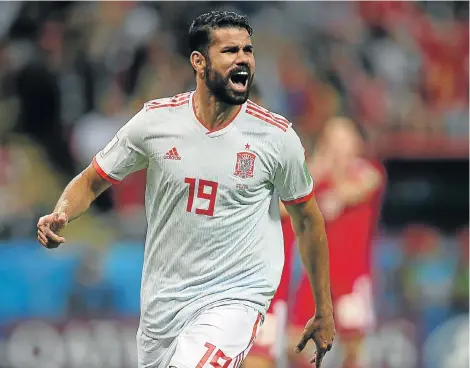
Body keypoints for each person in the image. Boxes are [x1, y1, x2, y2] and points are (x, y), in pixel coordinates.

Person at [36, 11, 335, 368]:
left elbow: (307, 220)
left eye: (248, 50)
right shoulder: (156, 122)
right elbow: (92, 179)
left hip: (234, 299)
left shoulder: (276, 138)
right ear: (199, 61)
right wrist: (63, 211)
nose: (243, 59)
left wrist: (324, 308)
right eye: (229, 51)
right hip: (162, 305)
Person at [288, 117, 385, 368]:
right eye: (332, 138)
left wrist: (335, 178)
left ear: (356, 142)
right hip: (316, 276)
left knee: (354, 347)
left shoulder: (369, 171)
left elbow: (354, 191)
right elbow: (288, 203)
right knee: (297, 341)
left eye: (343, 137)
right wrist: (319, 166)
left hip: (351, 276)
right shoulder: (316, 177)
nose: (338, 144)